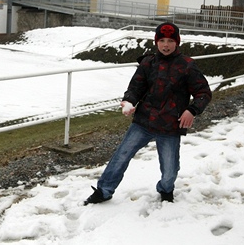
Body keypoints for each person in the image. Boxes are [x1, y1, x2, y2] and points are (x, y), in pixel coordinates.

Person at [84, 22, 212, 205]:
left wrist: (192, 110)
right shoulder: (148, 62)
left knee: (170, 170)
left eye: (170, 41)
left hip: (170, 126)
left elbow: (204, 93)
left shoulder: (187, 66)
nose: (166, 45)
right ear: (156, 42)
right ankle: (104, 191)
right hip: (143, 122)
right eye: (162, 40)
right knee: (121, 156)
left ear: (177, 42)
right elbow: (135, 87)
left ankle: (166, 190)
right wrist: (129, 101)